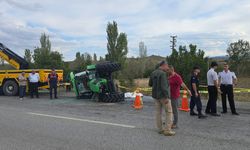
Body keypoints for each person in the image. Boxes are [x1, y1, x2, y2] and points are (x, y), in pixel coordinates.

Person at [149, 61, 175, 136]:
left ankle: (160, 129)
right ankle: (167, 130)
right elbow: (164, 87)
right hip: (163, 97)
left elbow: (150, 84)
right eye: (167, 66)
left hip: (155, 96)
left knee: (158, 113)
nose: (167, 68)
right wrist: (167, 97)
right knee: (169, 112)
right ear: (163, 65)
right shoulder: (163, 74)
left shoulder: (153, 73)